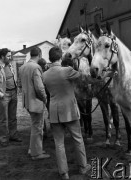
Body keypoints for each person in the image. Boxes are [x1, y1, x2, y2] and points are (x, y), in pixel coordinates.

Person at [43, 47, 91, 180]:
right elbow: (85, 79)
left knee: (59, 143)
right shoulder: (67, 71)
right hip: (69, 110)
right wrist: (104, 75)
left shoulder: (44, 75)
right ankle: (83, 166)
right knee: (78, 139)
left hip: (54, 111)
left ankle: (64, 173)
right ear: (60, 57)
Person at [19, 47, 50, 160]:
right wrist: (45, 98)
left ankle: (33, 149)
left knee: (34, 126)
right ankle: (36, 154)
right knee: (38, 127)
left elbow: (21, 84)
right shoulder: (36, 67)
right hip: (35, 101)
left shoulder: (22, 67)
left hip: (27, 101)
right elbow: (39, 87)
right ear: (40, 54)